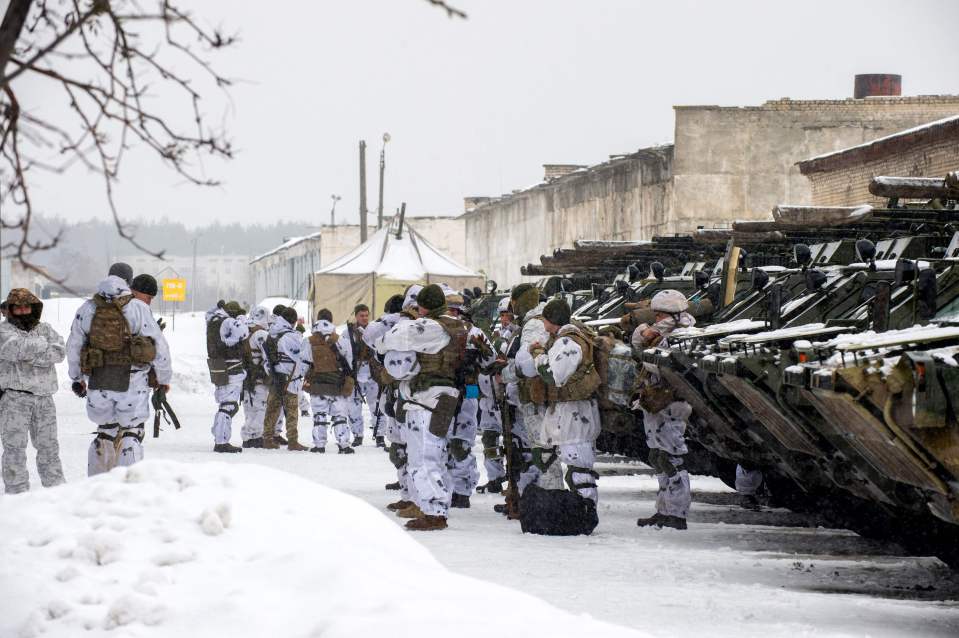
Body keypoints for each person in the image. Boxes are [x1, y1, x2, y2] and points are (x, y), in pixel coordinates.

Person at [375, 284, 468, 531]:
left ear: (422, 306)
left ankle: (435, 512)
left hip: (427, 399)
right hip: (442, 397)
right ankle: (434, 507)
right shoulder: (455, 325)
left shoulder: (430, 327)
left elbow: (388, 340)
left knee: (423, 458)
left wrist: (384, 346)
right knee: (434, 455)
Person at [66, 274, 172, 474]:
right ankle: (129, 487)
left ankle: (97, 486)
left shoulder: (87, 309)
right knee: (131, 433)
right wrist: (164, 378)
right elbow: (159, 346)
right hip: (132, 381)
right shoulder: (138, 308)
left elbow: (73, 346)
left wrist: (76, 378)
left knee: (105, 432)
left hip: (98, 380)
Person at [529, 298, 601, 506]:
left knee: (578, 465)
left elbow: (554, 376)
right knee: (573, 463)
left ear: (552, 320)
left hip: (575, 413)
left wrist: (538, 355)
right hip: (570, 412)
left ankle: (586, 509)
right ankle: (581, 508)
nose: (543, 324)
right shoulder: (563, 339)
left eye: (545, 319)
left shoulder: (568, 342)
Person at [633, 289, 695, 530]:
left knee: (672, 458)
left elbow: (664, 366)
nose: (656, 320)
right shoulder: (664, 333)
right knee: (658, 457)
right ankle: (664, 508)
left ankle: (677, 513)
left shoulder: (681, 335)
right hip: (657, 401)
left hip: (673, 403)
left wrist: (646, 348)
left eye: (659, 316)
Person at [0, 288, 66, 494]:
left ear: (34, 308)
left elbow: (59, 351)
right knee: (14, 449)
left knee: (49, 447)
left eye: (26, 306)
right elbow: (13, 349)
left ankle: (56, 490)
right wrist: (39, 348)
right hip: (15, 399)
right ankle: (17, 492)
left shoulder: (45, 329)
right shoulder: (4, 332)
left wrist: (28, 355)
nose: (23, 310)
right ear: (10, 310)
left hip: (45, 399)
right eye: (18, 307)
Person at [499, 284, 554, 515]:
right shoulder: (537, 321)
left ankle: (547, 503)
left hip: (533, 397)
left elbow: (527, 364)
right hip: (529, 396)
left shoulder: (533, 324)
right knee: (532, 451)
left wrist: (505, 373)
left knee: (541, 452)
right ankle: (531, 500)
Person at [443, 286, 496, 509]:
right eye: (449, 310)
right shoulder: (434, 330)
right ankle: (447, 488)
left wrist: (479, 351)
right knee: (442, 444)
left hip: (469, 389)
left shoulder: (474, 333)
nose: (453, 315)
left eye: (456, 311)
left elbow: (490, 360)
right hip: (443, 392)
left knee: (462, 443)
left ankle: (463, 490)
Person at [366, 291, 418, 512]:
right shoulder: (401, 326)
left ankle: (417, 498)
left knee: (412, 447)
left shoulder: (418, 326)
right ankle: (407, 494)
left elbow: (369, 335)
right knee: (399, 446)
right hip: (396, 390)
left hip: (411, 392)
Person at [301, 309, 355, 454]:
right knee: (339, 415)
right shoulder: (341, 340)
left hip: (317, 384)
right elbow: (349, 362)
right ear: (331, 321)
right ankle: (344, 445)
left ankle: (319, 445)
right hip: (337, 384)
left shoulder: (308, 341)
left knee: (319, 415)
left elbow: (304, 364)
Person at [261, 305, 307, 451]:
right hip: (289, 378)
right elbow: (302, 354)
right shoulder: (292, 336)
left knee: (272, 408)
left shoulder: (272, 333)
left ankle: (267, 438)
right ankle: (293, 441)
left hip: (275, 376)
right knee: (292, 410)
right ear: (293, 321)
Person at [205, 300, 249, 453]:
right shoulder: (228, 322)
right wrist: (242, 320)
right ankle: (222, 441)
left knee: (225, 404)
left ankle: (219, 435)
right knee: (229, 405)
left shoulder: (212, 321)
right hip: (231, 367)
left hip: (219, 366)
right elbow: (243, 332)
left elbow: (209, 315)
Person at [343, 304, 376, 447]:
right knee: (353, 407)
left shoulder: (374, 331)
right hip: (355, 374)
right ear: (356, 316)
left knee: (376, 406)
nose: (364, 318)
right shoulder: (347, 333)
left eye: (366, 315)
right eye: (361, 315)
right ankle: (357, 435)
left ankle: (379, 435)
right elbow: (343, 353)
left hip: (372, 373)